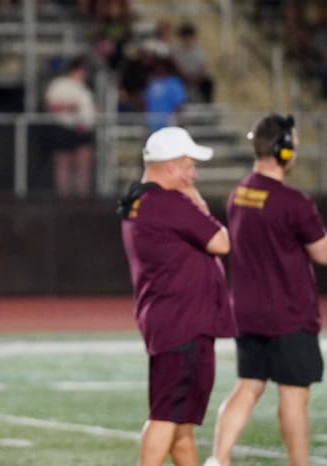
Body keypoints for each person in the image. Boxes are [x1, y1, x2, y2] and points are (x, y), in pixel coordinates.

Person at [204, 114, 326, 466]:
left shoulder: (239, 193)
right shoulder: (293, 202)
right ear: (283, 151)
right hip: (288, 312)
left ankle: (219, 458)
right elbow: (322, 253)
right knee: (294, 394)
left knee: (248, 385)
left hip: (246, 310)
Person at [117, 127, 236, 466]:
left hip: (170, 320)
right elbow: (221, 242)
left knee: (181, 426)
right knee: (166, 417)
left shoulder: (141, 200)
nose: (192, 174)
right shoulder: (167, 202)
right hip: (184, 322)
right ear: (170, 166)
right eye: (188, 165)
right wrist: (195, 197)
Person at [40, 55, 96, 198]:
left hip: (83, 129)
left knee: (84, 163)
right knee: (63, 163)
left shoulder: (84, 88)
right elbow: (50, 106)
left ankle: (82, 196)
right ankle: (64, 197)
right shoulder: (60, 84)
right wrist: (69, 107)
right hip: (64, 129)